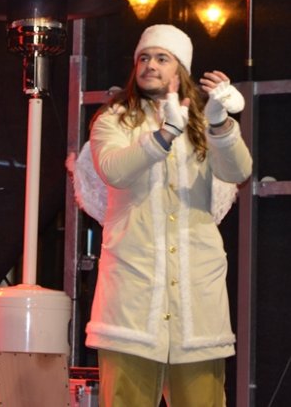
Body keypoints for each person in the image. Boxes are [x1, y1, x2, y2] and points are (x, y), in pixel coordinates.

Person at [84, 24, 252, 407]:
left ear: (181, 70)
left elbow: (239, 171)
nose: (150, 65)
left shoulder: (202, 122)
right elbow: (113, 170)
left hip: (197, 301)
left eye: (162, 58)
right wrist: (163, 135)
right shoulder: (114, 119)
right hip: (132, 301)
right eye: (144, 57)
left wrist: (219, 123)